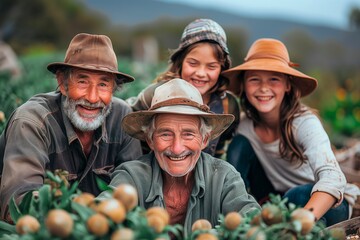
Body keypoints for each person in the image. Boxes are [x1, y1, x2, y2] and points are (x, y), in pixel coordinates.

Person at [0, 33, 142, 220]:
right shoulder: (32, 122)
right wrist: (84, 216)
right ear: (63, 83)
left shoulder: (122, 118)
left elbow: (133, 186)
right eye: (82, 81)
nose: (92, 97)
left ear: (113, 89)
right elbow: (18, 205)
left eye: (103, 84)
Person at [223, 38, 360, 226]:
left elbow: (333, 179)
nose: (264, 88)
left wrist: (302, 221)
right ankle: (237, 217)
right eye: (254, 79)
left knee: (296, 195)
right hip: (276, 200)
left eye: (274, 79)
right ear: (244, 85)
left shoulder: (304, 123)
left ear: (287, 85)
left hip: (324, 202)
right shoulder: (244, 126)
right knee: (238, 145)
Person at [102, 78, 261, 237]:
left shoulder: (224, 177)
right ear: (150, 140)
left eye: (188, 134)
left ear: (204, 140)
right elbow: (101, 213)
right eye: (165, 134)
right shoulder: (131, 176)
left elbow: (252, 221)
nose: (177, 148)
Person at [127, 18, 240, 158]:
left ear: (222, 68)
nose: (200, 73)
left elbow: (219, 150)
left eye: (211, 66)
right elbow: (127, 116)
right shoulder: (156, 94)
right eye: (193, 64)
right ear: (180, 62)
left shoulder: (228, 105)